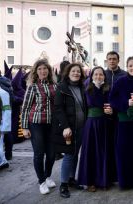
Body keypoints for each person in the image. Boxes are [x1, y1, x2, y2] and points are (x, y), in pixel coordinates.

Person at [109, 56, 133, 190]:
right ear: (127, 67)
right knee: (124, 152)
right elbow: (112, 100)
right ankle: (124, 181)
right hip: (124, 124)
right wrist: (126, 103)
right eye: (130, 66)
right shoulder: (120, 81)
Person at [21, 59, 57, 194]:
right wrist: (25, 127)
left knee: (52, 153)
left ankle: (47, 176)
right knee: (39, 153)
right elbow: (25, 108)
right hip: (36, 123)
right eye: (40, 69)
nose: (43, 71)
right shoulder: (33, 87)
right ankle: (41, 181)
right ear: (36, 71)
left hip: (51, 123)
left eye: (45, 69)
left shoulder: (55, 85)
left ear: (49, 71)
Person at [52, 63, 87, 198]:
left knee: (75, 153)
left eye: (78, 71)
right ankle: (64, 184)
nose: (76, 73)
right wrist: (66, 126)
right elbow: (58, 108)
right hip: (69, 128)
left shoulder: (82, 87)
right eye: (74, 71)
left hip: (81, 127)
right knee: (68, 155)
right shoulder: (62, 87)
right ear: (68, 72)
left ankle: (72, 178)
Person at [77, 66, 114, 192]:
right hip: (91, 124)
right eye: (96, 74)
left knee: (104, 151)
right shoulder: (87, 89)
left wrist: (111, 110)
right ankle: (89, 181)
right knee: (91, 152)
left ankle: (103, 180)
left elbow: (112, 105)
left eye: (101, 75)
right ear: (92, 76)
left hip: (104, 123)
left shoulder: (108, 88)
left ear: (104, 76)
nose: (98, 77)